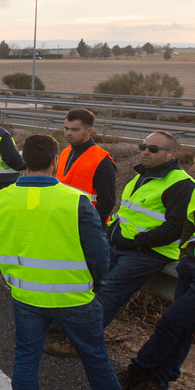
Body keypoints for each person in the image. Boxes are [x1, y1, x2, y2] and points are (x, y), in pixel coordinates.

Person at [0, 134, 143, 390]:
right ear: (56, 161)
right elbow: (99, 254)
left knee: (26, 357)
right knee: (94, 357)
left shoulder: (2, 198)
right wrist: (96, 284)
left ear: (24, 160)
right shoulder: (75, 199)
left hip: (27, 296)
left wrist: (14, 276)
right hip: (75, 297)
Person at [121, 142, 195, 390]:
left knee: (170, 321)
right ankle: (156, 384)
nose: (193, 169)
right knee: (182, 327)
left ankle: (140, 369)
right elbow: (189, 223)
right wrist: (185, 253)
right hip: (193, 266)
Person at [96, 131, 195, 331]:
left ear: (171, 154)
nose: (146, 152)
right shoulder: (144, 176)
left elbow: (175, 227)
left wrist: (137, 242)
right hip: (121, 244)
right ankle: (67, 330)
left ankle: (77, 343)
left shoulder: (181, 184)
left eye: (153, 149)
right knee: (92, 285)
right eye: (143, 147)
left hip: (147, 252)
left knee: (108, 294)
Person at [46, 108, 117, 357]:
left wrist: (91, 230)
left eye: (74, 129)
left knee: (81, 286)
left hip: (86, 231)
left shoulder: (102, 160)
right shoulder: (65, 152)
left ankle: (75, 337)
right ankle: (57, 326)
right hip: (63, 227)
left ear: (89, 130)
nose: (68, 133)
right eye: (66, 128)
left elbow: (107, 201)